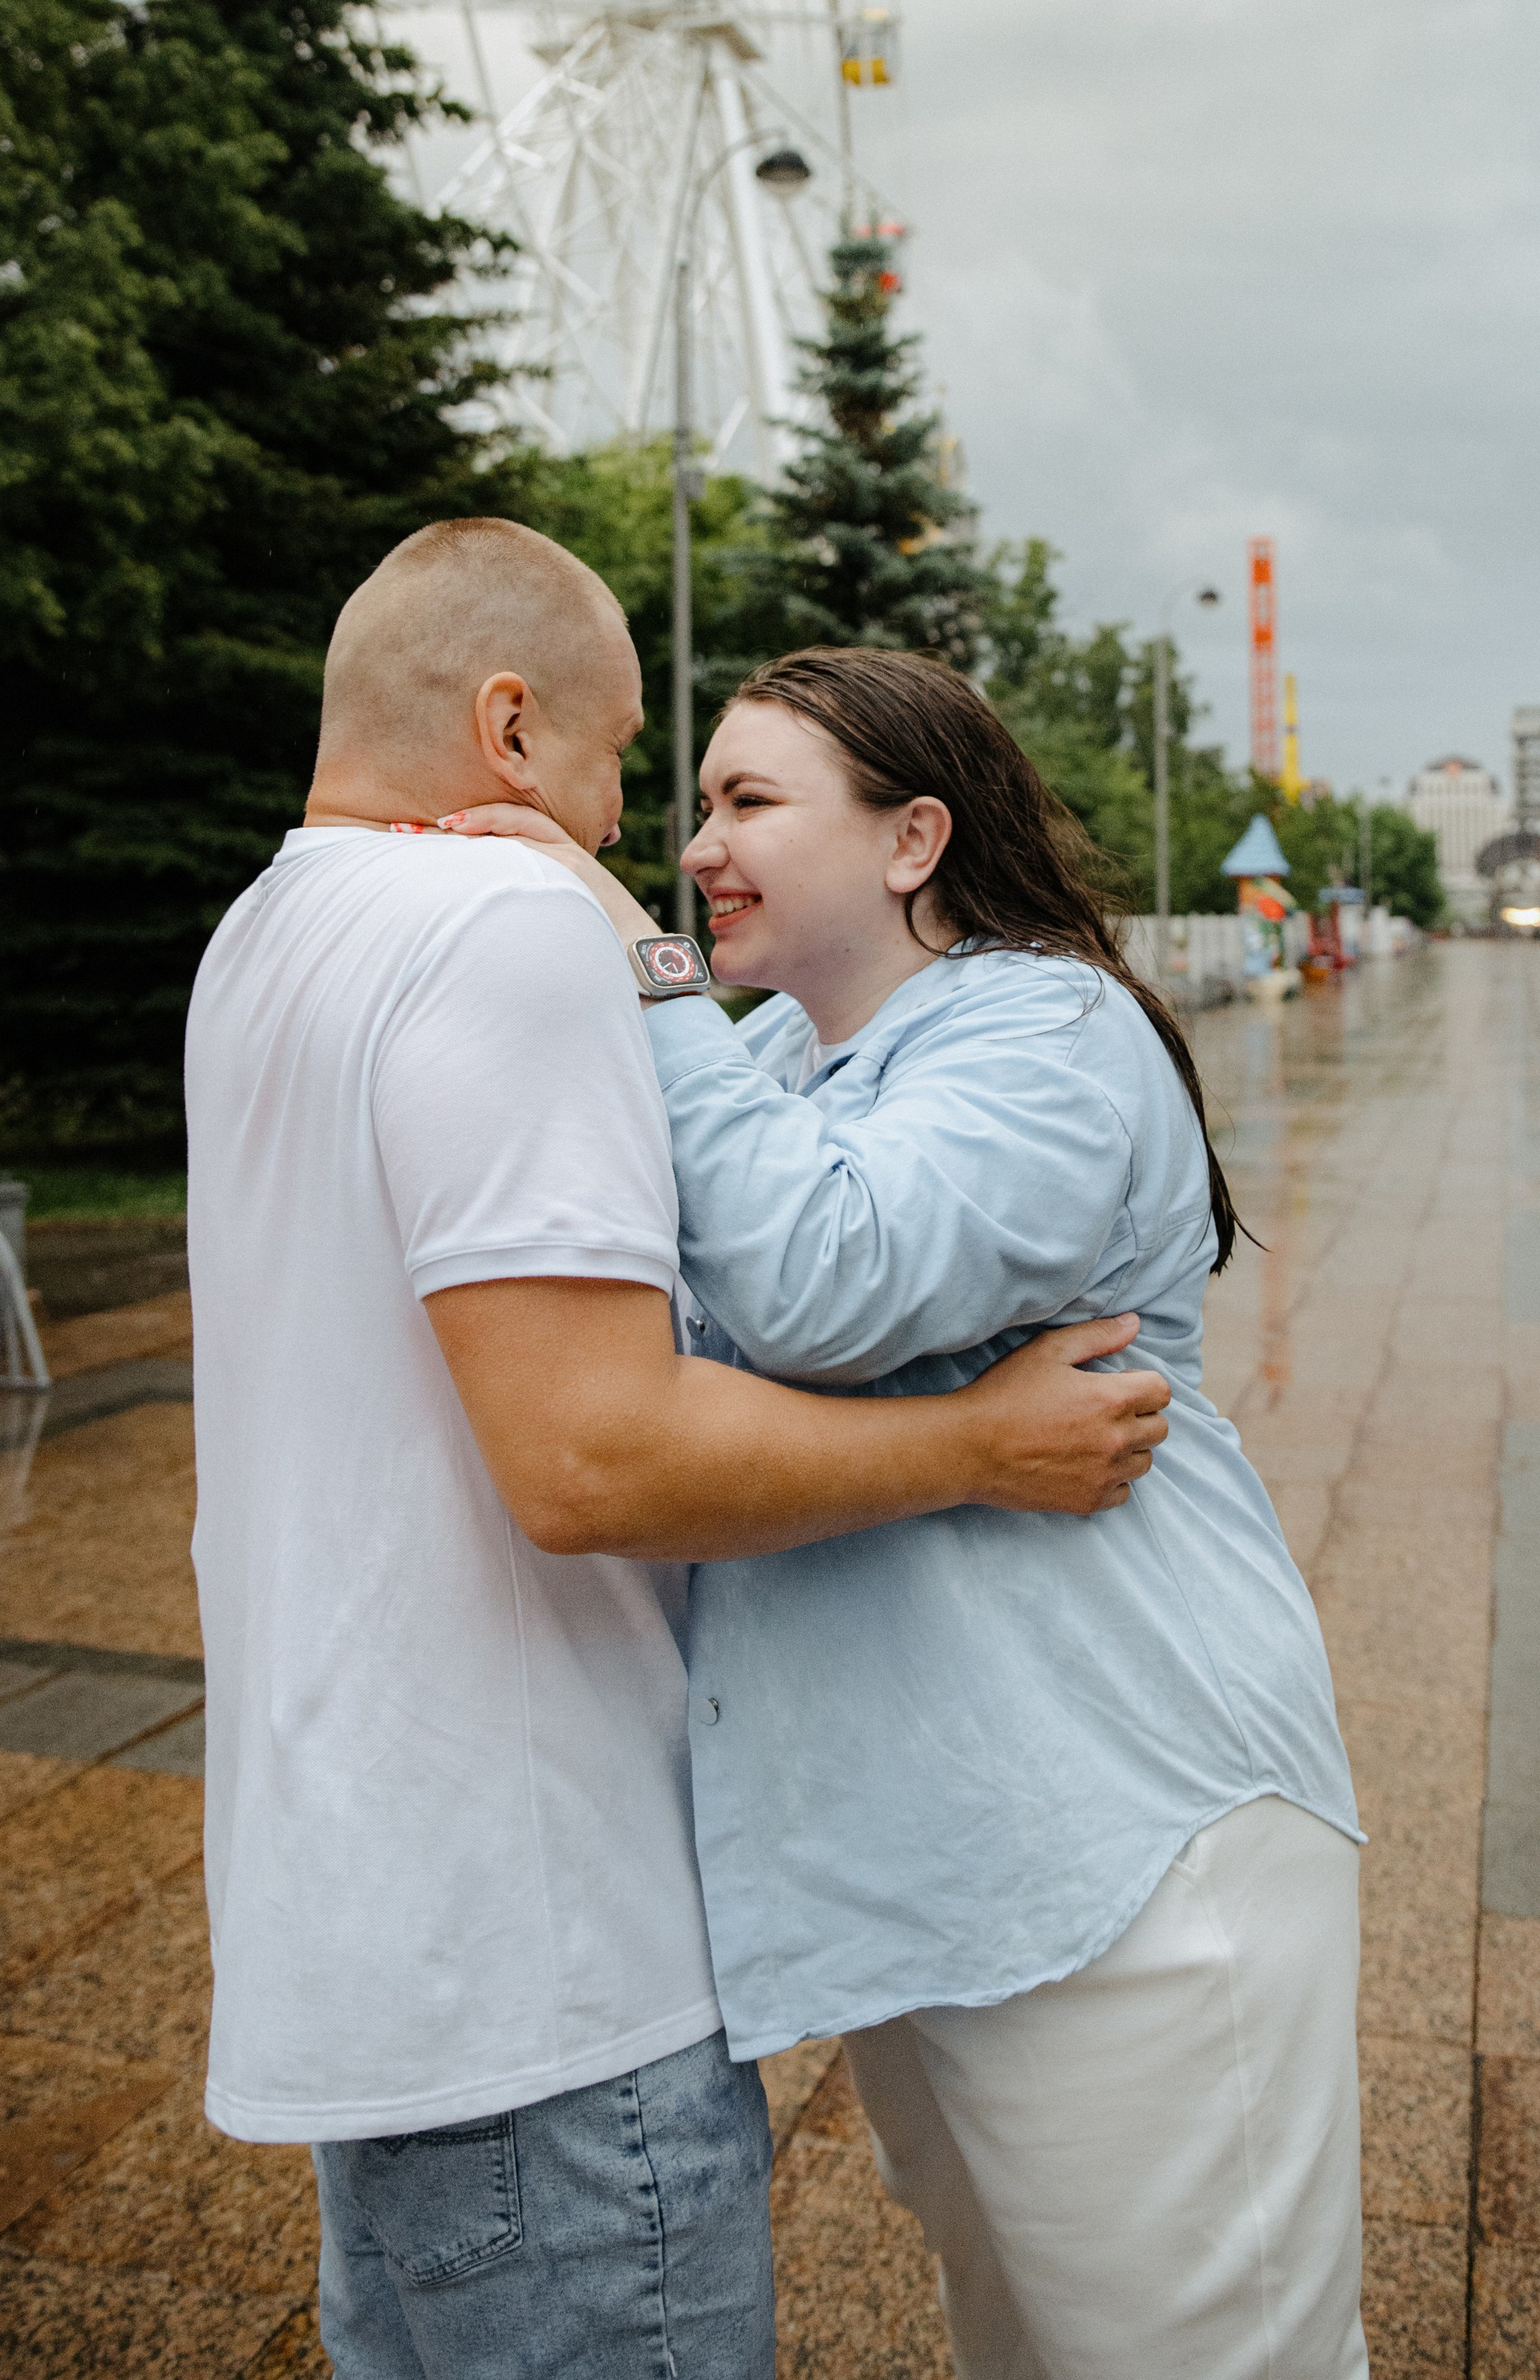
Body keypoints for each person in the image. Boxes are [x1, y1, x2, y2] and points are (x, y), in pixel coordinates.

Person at [184, 523, 1169, 2380]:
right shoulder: (504, 923)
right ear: (507, 725)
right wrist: (973, 1443)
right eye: (633, 754)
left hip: (354, 1913)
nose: (642, 817)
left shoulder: (265, 928)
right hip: (543, 1953)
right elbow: (594, 1464)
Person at [449, 643, 1366, 2380]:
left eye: (746, 802)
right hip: (937, 1864)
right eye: (695, 802)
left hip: (1128, 1858)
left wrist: (625, 958)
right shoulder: (784, 1053)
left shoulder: (1055, 1023)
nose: (695, 846)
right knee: (1026, 2349)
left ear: (908, 838)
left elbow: (819, 1276)